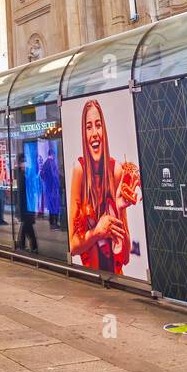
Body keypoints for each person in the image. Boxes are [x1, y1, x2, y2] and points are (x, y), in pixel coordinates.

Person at [67, 99, 139, 274]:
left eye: (98, 125)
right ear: (84, 134)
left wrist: (119, 208)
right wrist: (97, 233)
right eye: (88, 127)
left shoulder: (117, 171)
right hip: (89, 281)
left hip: (117, 278)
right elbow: (73, 246)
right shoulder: (80, 171)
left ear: (104, 131)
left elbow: (126, 258)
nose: (94, 133)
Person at [14, 153, 39, 253]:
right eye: (22, 162)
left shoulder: (28, 173)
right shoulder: (19, 174)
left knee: (26, 225)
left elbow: (33, 189)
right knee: (27, 225)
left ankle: (22, 244)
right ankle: (30, 245)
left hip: (29, 204)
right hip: (23, 205)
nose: (24, 164)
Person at [39, 150, 61, 229]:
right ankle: (54, 223)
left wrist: (46, 181)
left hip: (49, 187)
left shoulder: (46, 163)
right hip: (53, 188)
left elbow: (42, 174)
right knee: (55, 205)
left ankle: (52, 223)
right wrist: (56, 183)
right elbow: (55, 175)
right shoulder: (51, 163)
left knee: (52, 205)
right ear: (52, 154)